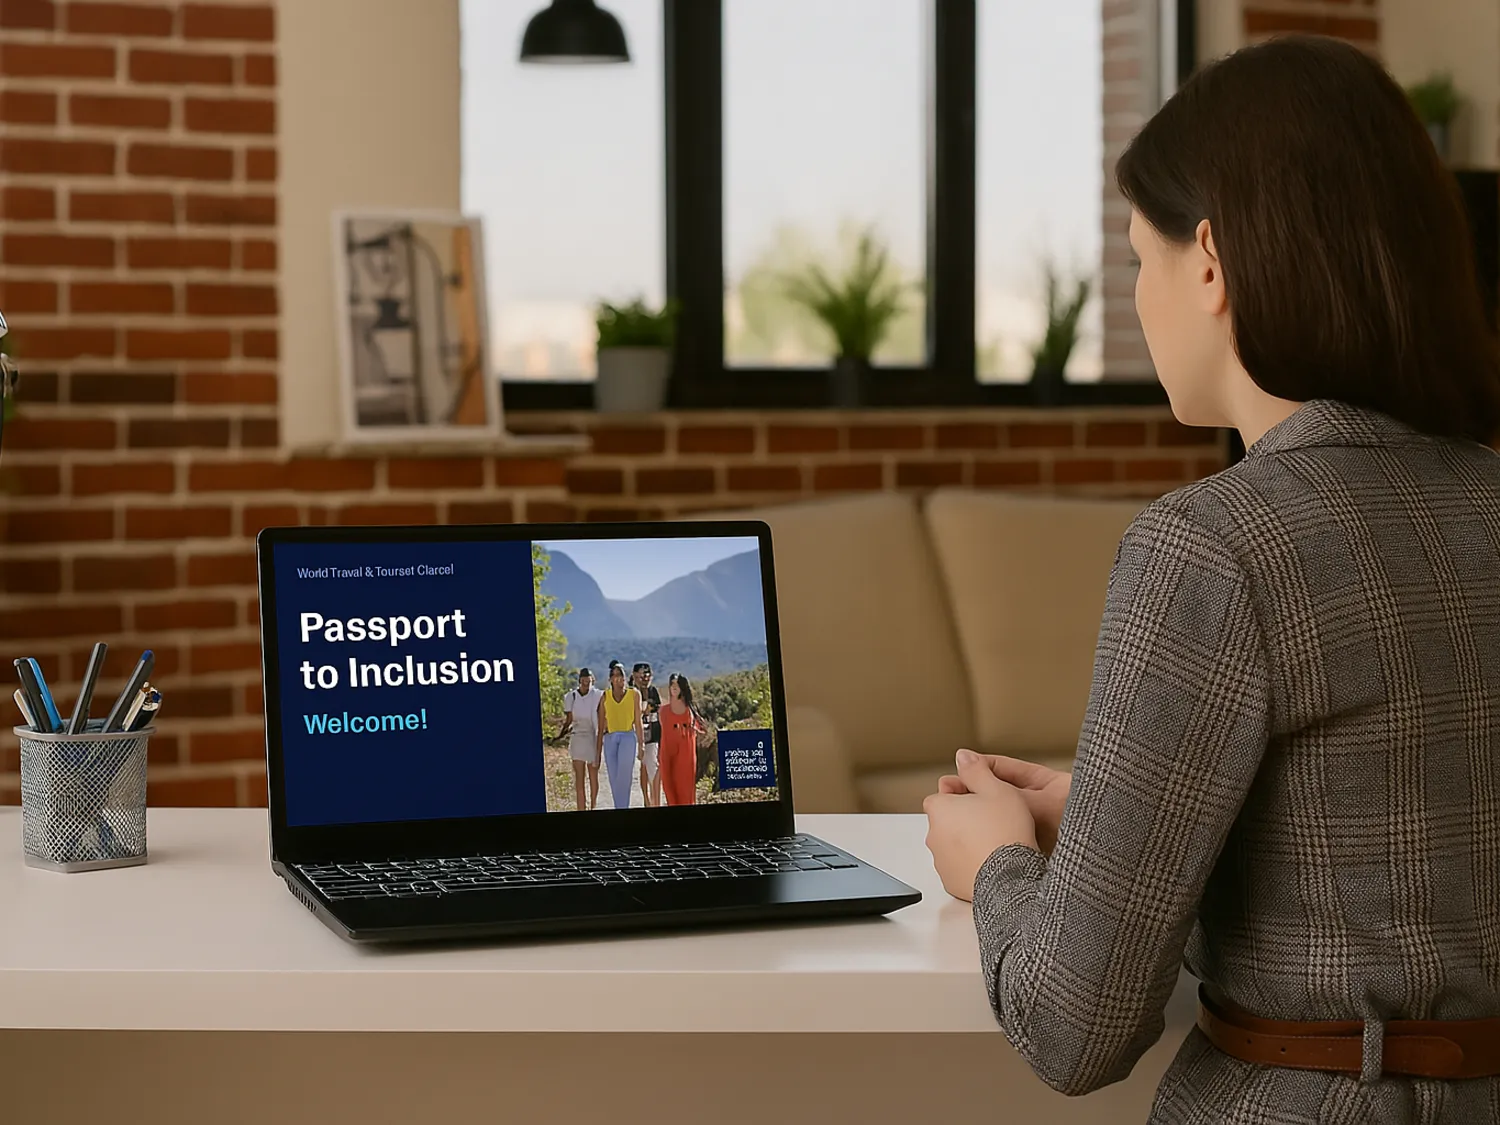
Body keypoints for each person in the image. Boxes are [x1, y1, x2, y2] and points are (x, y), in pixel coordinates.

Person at [922, 34, 1500, 1123]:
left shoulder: (1211, 545)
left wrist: (997, 861)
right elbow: (1379, 893)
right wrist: (1106, 824)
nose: (1141, 299)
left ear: (1212, 262)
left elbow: (1074, 1025)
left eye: (1141, 259)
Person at [595, 663, 642, 810]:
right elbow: (601, 726)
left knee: (624, 777)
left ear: (625, 677)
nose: (618, 678)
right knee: (614, 778)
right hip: (610, 739)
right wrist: (597, 754)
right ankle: (619, 807)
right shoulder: (605, 696)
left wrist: (642, 745)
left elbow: (638, 721)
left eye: (620, 675)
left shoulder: (634, 694)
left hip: (628, 737)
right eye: (615, 675)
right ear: (610, 679)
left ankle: (623, 807)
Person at [557, 668, 603, 811]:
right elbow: (569, 719)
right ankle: (581, 809)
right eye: (583, 682)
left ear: (592, 681)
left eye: (588, 681)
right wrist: (561, 734)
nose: (586, 684)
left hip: (591, 735)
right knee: (579, 778)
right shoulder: (571, 697)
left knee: (593, 774)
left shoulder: (598, 695)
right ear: (579, 681)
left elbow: (601, 717)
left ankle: (593, 806)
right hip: (577, 735)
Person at [659, 674, 704, 806]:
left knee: (685, 790)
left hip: (685, 755)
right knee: (669, 787)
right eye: (672, 684)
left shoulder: (689, 712)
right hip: (667, 753)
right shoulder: (663, 711)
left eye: (677, 684)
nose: (674, 687)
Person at [633, 662, 663, 807]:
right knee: (643, 766)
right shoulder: (632, 692)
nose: (644, 678)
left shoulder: (653, 691)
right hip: (638, 733)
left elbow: (657, 709)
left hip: (653, 733)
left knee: (652, 765)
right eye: (641, 675)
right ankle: (646, 798)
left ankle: (654, 798)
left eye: (647, 675)